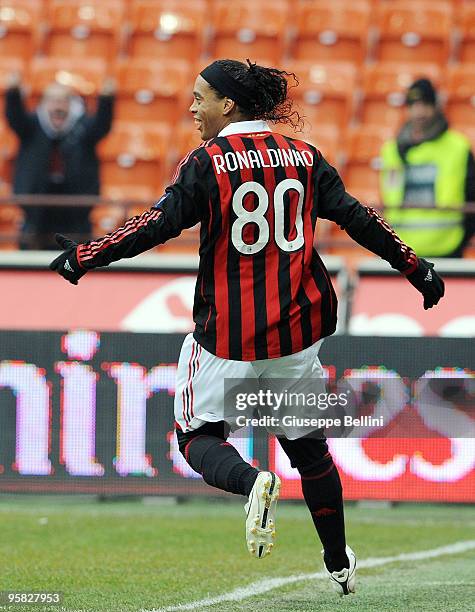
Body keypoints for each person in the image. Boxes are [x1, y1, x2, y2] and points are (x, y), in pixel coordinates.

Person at [49, 60, 445, 597]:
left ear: (227, 105)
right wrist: (414, 266)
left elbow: (155, 226)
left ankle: (250, 480)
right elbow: (358, 217)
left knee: (196, 437)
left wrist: (84, 257)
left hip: (227, 337)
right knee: (309, 451)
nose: (192, 108)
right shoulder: (304, 158)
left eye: (199, 98)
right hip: (295, 337)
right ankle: (338, 562)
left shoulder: (207, 162)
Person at [5, 74, 115, 250]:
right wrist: (13, 93)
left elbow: (101, 125)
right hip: (36, 212)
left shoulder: (83, 128)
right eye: (53, 100)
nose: (58, 106)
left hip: (75, 213)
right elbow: (15, 118)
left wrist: (106, 99)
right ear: (44, 104)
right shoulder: (32, 126)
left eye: (63, 101)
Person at [380, 78, 475, 258]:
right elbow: (388, 198)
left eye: (425, 104)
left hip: (448, 250)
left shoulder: (458, 147)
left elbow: (472, 197)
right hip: (402, 252)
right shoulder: (391, 150)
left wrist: (460, 244)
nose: (419, 112)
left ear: (436, 106)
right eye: (413, 105)